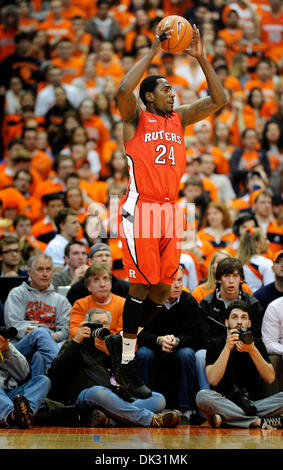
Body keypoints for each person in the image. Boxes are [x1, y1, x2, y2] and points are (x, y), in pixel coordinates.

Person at [114, 22, 227, 398]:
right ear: (149, 97)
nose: (172, 93)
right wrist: (151, 52)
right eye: (165, 89)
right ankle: (126, 362)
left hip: (170, 209)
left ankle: (122, 344)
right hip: (141, 206)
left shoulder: (179, 120)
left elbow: (219, 99)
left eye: (172, 88)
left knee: (162, 290)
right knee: (140, 288)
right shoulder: (136, 118)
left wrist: (201, 58)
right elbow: (121, 89)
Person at [47, 308, 181, 428]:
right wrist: (76, 340)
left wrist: (112, 354)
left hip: (118, 399)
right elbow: (56, 373)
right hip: (87, 397)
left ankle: (111, 420)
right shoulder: (75, 344)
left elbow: (130, 380)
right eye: (96, 323)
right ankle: (151, 420)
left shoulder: (113, 346)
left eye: (105, 324)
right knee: (99, 392)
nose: (101, 327)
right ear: (86, 325)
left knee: (158, 399)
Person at [196, 299, 283, 429]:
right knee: (202, 396)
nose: (239, 322)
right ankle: (259, 422)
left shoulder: (257, 343)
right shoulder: (215, 343)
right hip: (225, 402)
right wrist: (227, 348)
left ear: (249, 323)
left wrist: (252, 350)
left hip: (254, 404)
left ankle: (228, 419)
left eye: (244, 318)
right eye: (234, 317)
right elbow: (213, 380)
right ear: (227, 322)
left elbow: (270, 378)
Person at [135, 266, 200, 419]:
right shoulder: (149, 301)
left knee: (187, 354)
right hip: (154, 346)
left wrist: (175, 341)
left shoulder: (189, 302)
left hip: (179, 347)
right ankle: (145, 405)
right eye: (172, 281)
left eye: (180, 280)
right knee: (143, 354)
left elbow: (195, 335)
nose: (177, 285)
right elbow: (141, 332)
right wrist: (159, 340)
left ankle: (185, 410)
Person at [196, 257, 264, 391]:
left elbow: (257, 335)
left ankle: (252, 397)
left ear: (241, 279)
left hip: (244, 346)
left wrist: (242, 344)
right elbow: (203, 338)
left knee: (259, 351)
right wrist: (225, 345)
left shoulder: (253, 304)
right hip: (216, 348)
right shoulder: (206, 304)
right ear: (219, 279)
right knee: (200, 355)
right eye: (227, 276)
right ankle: (206, 404)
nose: (231, 281)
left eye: (235, 276)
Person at [4, 253, 71, 375]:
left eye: (48, 269)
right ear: (29, 272)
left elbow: (65, 331)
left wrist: (47, 336)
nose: (45, 274)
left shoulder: (61, 300)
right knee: (39, 332)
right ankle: (60, 372)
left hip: (49, 345)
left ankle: (40, 387)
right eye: (40, 269)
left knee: (40, 355)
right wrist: (39, 332)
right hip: (19, 348)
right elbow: (13, 326)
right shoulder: (17, 294)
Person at [0, 332, 51, 429]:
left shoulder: (6, 345)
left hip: (12, 394)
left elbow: (23, 375)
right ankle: (13, 416)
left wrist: (7, 351)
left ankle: (26, 413)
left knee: (43, 380)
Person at [69, 263, 124, 338]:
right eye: (96, 280)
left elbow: (122, 334)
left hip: (112, 347)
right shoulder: (80, 305)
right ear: (88, 286)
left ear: (111, 283)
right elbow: (74, 331)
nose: (102, 284)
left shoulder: (123, 304)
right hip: (86, 346)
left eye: (105, 279)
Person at [236, 226, 274, 293]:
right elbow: (270, 292)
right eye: (265, 239)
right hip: (258, 302)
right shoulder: (266, 263)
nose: (269, 242)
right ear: (256, 243)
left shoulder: (235, 261)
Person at [262, 296, 283, 397]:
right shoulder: (275, 307)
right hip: (282, 353)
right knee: (272, 360)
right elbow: (268, 342)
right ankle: (274, 408)